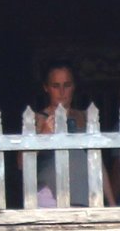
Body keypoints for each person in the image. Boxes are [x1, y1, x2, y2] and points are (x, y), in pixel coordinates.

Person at [33, 63, 115, 208]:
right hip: (50, 199)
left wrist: (112, 202)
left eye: (67, 85)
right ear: (46, 88)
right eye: (55, 86)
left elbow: (97, 162)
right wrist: (43, 135)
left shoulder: (84, 117)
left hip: (86, 197)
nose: (62, 91)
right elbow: (22, 162)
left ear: (74, 86)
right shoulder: (38, 119)